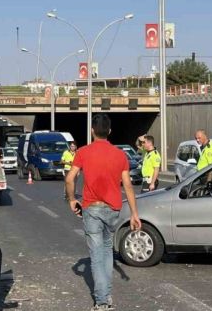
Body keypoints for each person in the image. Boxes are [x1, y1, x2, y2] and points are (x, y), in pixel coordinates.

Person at [66, 114, 141, 311]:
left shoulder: (82, 152)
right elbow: (128, 185)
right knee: (107, 252)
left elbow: (70, 178)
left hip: (91, 208)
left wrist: (72, 199)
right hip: (113, 208)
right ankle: (106, 295)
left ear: (92, 131)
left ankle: (102, 301)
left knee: (96, 255)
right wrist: (134, 213)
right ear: (109, 131)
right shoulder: (119, 155)